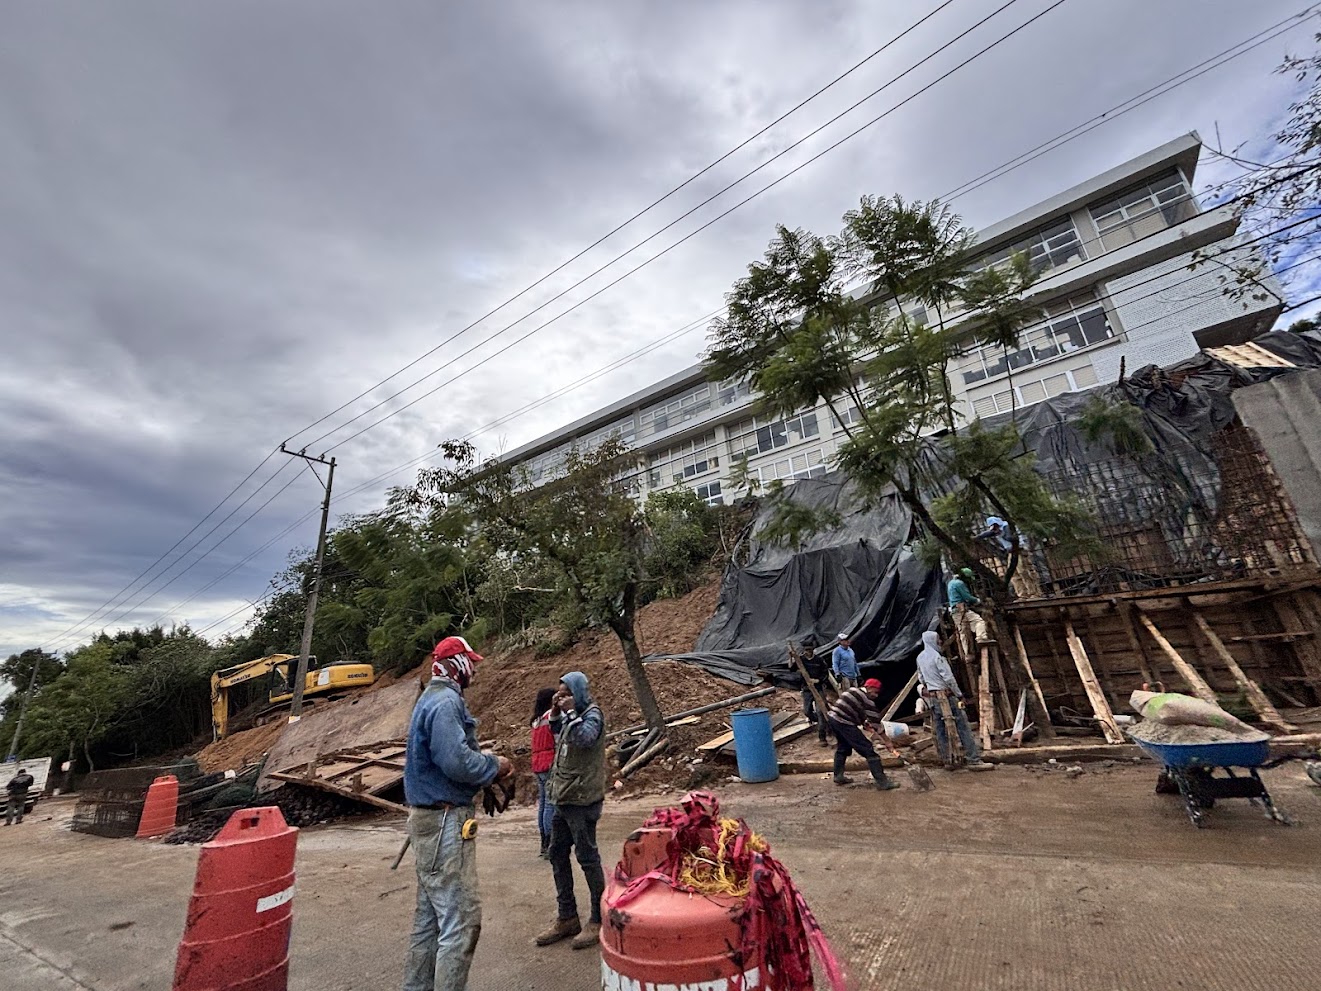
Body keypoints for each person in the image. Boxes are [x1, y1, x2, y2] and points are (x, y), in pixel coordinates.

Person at [402, 636, 513, 991]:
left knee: (431, 920)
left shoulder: (430, 698)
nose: (476, 669)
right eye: (471, 662)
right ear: (455, 664)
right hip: (444, 822)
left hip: (429, 820)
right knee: (462, 921)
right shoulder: (446, 702)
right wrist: (495, 766)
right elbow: (457, 762)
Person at [536, 671, 607, 951]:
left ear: (578, 693)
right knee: (556, 852)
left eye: (567, 693)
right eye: (560, 693)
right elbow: (557, 733)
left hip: (582, 799)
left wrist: (570, 712)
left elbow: (584, 739)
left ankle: (598, 918)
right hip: (564, 796)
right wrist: (556, 711)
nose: (562, 697)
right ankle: (567, 916)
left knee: (587, 856)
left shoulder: (591, 715)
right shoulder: (569, 716)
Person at [914, 631, 984, 767]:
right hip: (947, 697)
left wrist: (931, 687)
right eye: (938, 639)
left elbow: (921, 678)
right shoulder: (938, 658)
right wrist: (959, 694)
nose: (940, 642)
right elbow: (949, 679)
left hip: (934, 698)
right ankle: (973, 759)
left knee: (940, 730)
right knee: (962, 726)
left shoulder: (920, 658)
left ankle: (947, 760)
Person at [826, 678, 901, 791]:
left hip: (833, 719)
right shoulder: (867, 700)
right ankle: (883, 782)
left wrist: (864, 723)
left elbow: (854, 711)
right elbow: (876, 724)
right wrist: (887, 742)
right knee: (869, 751)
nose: (876, 696)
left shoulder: (852, 691)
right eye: (875, 692)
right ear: (869, 688)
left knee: (843, 747)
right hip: (844, 722)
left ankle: (838, 776)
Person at [530, 688, 557, 860]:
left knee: (543, 804)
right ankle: (549, 843)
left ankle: (543, 843)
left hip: (537, 763)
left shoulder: (536, 721)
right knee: (550, 804)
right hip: (549, 762)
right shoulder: (550, 717)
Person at [947, 567, 991, 660]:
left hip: (955, 611)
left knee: (963, 632)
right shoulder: (959, 583)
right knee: (979, 621)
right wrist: (977, 600)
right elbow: (966, 596)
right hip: (961, 609)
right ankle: (981, 637)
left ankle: (968, 655)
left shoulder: (951, 583)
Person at [796, 642, 830, 746]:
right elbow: (791, 668)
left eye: (810, 650)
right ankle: (823, 722)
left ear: (813, 650)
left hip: (818, 688)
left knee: (820, 711)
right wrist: (791, 658)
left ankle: (822, 736)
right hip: (807, 689)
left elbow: (825, 673)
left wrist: (818, 680)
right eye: (806, 650)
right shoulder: (801, 660)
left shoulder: (819, 660)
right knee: (807, 711)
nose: (808, 652)